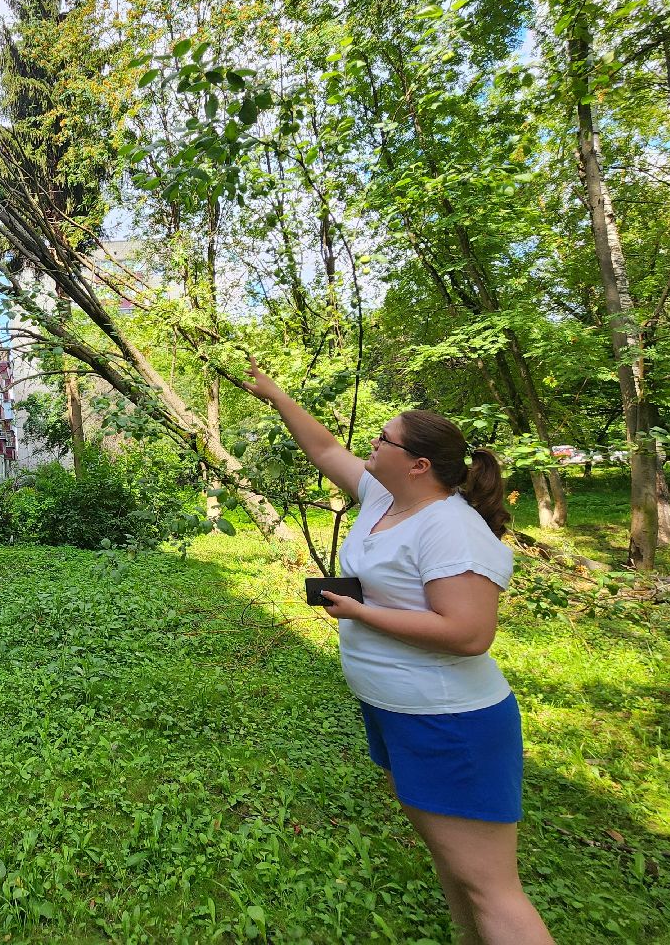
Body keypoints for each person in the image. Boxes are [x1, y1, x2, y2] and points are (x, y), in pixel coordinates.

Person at [244, 363, 554, 945]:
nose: (372, 443)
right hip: (397, 710)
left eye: (384, 438)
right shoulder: (384, 499)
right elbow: (325, 447)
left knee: (491, 887)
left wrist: (361, 614)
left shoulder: (450, 528)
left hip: (450, 721)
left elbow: (468, 633)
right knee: (453, 864)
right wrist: (275, 395)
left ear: (418, 463)